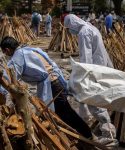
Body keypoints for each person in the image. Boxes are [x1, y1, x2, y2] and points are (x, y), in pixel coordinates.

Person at [0, 36, 92, 139]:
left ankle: (86, 135)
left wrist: (2, 89)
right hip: (57, 80)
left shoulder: (18, 56)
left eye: (5, 52)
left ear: (7, 50)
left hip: (52, 85)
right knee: (63, 112)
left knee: (65, 113)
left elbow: (9, 76)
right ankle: (81, 135)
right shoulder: (28, 49)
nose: (5, 55)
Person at [64, 14, 117, 145]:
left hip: (93, 70)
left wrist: (82, 75)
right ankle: (100, 127)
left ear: (72, 24)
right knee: (95, 100)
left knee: (94, 102)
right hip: (101, 67)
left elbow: (86, 57)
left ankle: (109, 134)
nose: (70, 31)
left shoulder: (83, 32)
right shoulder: (91, 27)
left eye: (68, 27)